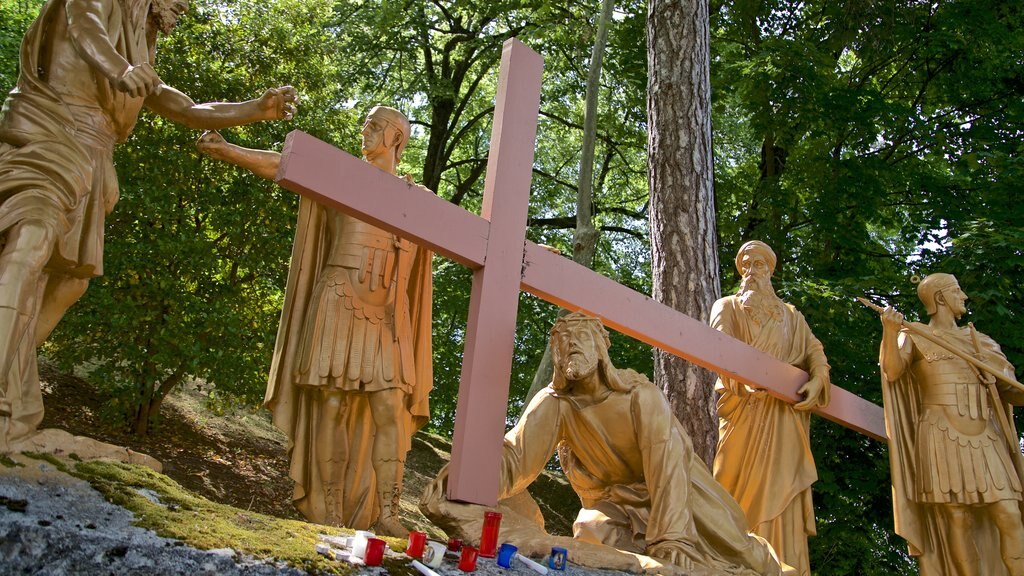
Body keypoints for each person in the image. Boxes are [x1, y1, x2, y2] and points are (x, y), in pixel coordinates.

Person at [0, 0, 297, 450]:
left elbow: (185, 106)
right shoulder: (100, 12)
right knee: (31, 239)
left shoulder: (142, 40)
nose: (183, 9)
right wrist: (119, 67)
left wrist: (254, 108)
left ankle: (13, 369)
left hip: (95, 155)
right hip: (51, 132)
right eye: (179, 1)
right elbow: (86, 27)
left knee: (67, 284)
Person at [197, 106, 432, 536]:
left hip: (385, 313)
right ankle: (333, 513)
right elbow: (284, 164)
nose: (366, 130)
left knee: (389, 410)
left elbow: (478, 237)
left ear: (397, 139)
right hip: (339, 296)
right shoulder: (340, 173)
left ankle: (390, 514)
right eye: (366, 122)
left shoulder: (417, 197)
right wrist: (229, 150)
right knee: (332, 404)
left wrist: (527, 252)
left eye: (376, 125)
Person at [421, 312, 786, 575]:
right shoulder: (557, 404)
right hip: (618, 503)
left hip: (682, 495)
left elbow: (667, 464)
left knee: (745, 556)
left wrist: (673, 539)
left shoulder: (641, 396)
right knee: (591, 530)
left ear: (601, 348)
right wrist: (468, 476)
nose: (570, 347)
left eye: (580, 338)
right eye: (562, 343)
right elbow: (517, 458)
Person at [878, 273, 1024, 575]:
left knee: (1009, 512)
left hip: (985, 435)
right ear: (940, 298)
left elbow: (1012, 391)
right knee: (957, 519)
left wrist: (1000, 379)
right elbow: (892, 371)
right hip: (940, 432)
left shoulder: (980, 342)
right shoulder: (914, 335)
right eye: (957, 291)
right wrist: (889, 333)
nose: (964, 297)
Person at [709, 240, 830, 576]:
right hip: (744, 413)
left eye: (759, 264)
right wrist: (743, 379)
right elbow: (720, 349)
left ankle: (785, 564)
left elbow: (814, 351)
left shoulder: (792, 316)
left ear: (771, 271)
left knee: (784, 492)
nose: (751, 271)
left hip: (783, 420)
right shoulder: (728, 306)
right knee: (730, 492)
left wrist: (819, 378)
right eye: (745, 264)